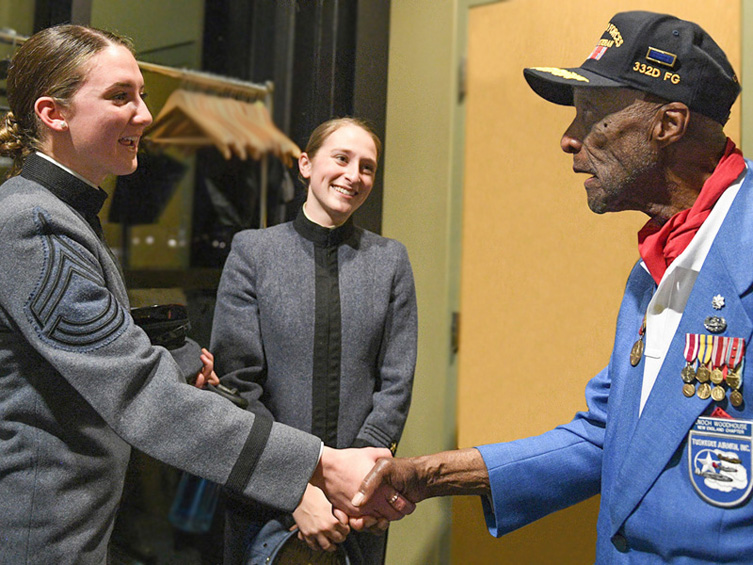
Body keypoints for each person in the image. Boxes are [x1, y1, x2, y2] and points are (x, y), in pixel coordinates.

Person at [0, 24, 410, 564]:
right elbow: (140, 394)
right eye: (121, 96)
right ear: (54, 113)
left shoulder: (61, 214)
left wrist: (175, 355)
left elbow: (89, 350)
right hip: (41, 528)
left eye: (142, 95)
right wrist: (320, 465)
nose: (145, 115)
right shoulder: (36, 223)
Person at [354, 10, 753, 562]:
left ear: (669, 123)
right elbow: (608, 436)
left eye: (592, 113)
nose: (569, 139)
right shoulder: (659, 262)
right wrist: (428, 474)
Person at [211, 117, 417, 563]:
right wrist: (296, 488)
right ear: (305, 164)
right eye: (341, 158)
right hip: (264, 495)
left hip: (358, 505)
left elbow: (396, 383)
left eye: (367, 167)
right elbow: (238, 386)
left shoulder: (390, 261)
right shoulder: (253, 252)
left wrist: (356, 487)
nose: (353, 175)